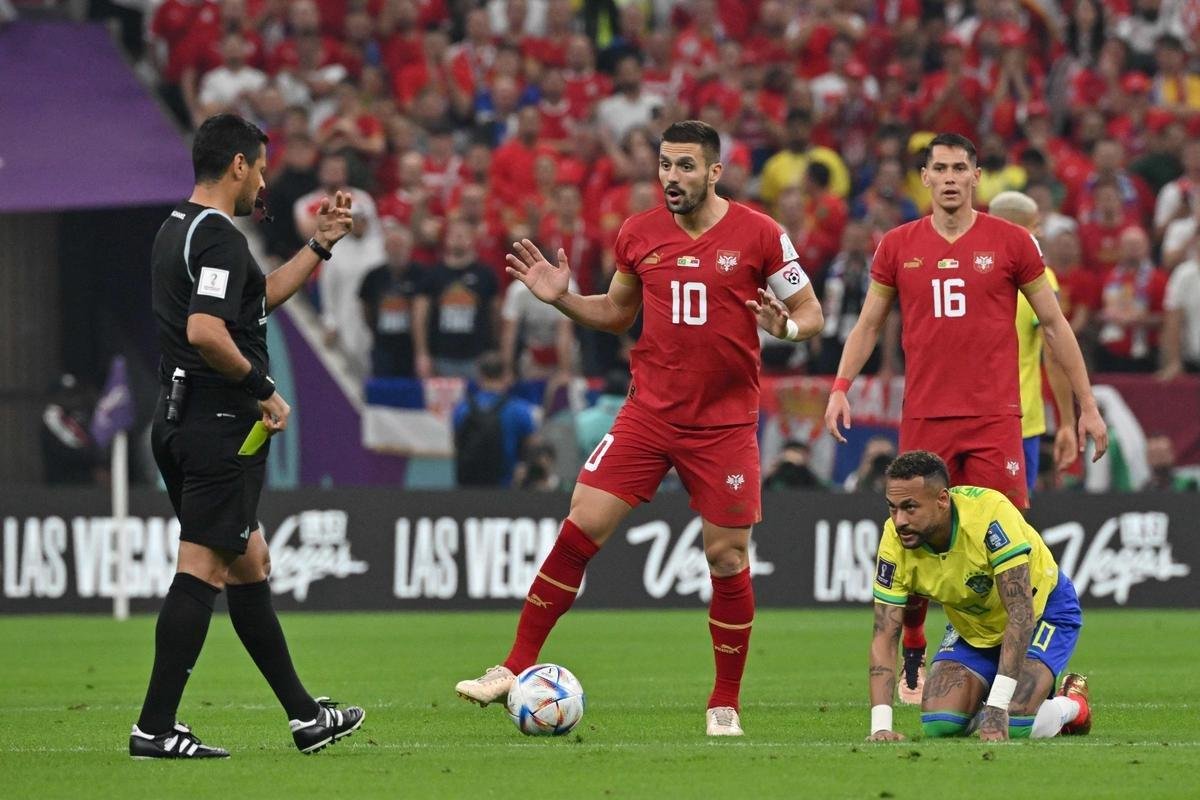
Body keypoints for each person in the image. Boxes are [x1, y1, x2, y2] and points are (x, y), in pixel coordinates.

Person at [454, 120, 824, 736]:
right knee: (581, 525)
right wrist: (562, 299)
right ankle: (513, 667)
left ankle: (723, 701)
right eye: (664, 165)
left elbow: (810, 313)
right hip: (648, 414)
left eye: (684, 166)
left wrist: (783, 329)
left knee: (727, 556)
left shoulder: (761, 234)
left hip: (724, 424)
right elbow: (617, 312)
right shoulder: (637, 234)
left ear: (713, 171)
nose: (671, 178)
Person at [823, 133, 1108, 709]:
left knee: (1009, 549)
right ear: (923, 178)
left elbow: (1054, 326)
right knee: (917, 537)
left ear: (976, 176)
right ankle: (916, 650)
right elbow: (870, 322)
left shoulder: (1012, 242)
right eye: (940, 168)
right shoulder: (897, 245)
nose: (950, 177)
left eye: (960, 168)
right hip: (926, 416)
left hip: (995, 419)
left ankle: (1022, 672)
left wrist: (1087, 406)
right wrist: (839, 386)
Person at [134, 113, 364, 759]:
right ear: (238, 164)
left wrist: (318, 247)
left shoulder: (178, 229)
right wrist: (263, 387)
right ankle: (154, 728)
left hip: (180, 418)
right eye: (259, 166)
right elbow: (210, 332)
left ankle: (304, 718)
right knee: (203, 568)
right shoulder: (219, 239)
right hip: (218, 425)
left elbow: (252, 302)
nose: (262, 177)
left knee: (249, 561)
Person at [867, 451, 1092, 742]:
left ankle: (1072, 705)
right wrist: (880, 726)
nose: (899, 521)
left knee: (1016, 722)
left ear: (942, 500)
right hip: (974, 625)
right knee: (940, 724)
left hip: (1041, 612)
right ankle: (989, 698)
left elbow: (1021, 614)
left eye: (910, 508)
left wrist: (998, 707)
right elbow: (885, 633)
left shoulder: (989, 515)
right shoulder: (894, 540)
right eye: (892, 508)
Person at [987, 191, 1078, 494]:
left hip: (970, 417)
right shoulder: (1039, 278)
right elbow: (1053, 355)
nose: (1039, 233)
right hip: (1019, 420)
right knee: (1010, 523)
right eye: (1035, 226)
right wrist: (1067, 421)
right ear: (1015, 229)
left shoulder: (963, 275)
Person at [452, 351, 541, 488]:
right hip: (505, 489)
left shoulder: (462, 409)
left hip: (467, 489)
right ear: (506, 376)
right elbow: (532, 449)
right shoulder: (520, 410)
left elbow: (457, 444)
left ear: (479, 375)